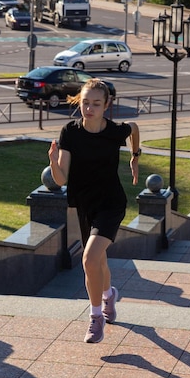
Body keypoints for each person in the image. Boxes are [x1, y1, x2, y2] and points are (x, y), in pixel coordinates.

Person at [48, 78, 140, 344]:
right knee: (98, 261)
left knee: (88, 259)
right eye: (85, 103)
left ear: (106, 105)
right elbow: (62, 178)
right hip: (85, 204)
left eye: (96, 104)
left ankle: (96, 316)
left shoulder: (115, 130)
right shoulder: (70, 132)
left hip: (112, 203)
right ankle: (109, 294)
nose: (89, 108)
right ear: (80, 102)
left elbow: (134, 129)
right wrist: (53, 163)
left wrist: (136, 156)